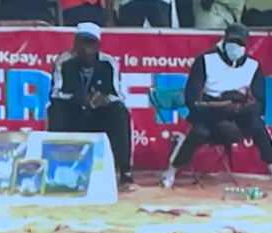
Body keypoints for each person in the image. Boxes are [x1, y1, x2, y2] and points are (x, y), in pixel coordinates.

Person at [160, 23, 271, 188]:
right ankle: (172, 169)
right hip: (209, 111)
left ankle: (270, 164)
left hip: (237, 111)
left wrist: (240, 109)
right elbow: (191, 99)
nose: (236, 47)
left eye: (240, 44)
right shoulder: (205, 60)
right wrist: (218, 114)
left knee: (256, 124)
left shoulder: (252, 66)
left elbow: (260, 103)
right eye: (232, 42)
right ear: (224, 41)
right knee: (199, 132)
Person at [47, 22, 137, 192]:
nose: (86, 50)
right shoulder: (64, 61)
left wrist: (104, 100)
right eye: (82, 43)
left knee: (120, 112)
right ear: (75, 44)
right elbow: (56, 93)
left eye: (90, 44)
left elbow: (118, 95)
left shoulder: (108, 63)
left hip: (99, 115)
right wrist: (78, 99)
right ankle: (55, 167)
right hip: (73, 112)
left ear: (98, 46)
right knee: (55, 110)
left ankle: (124, 172)